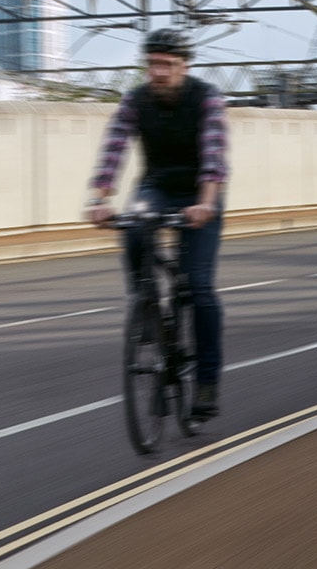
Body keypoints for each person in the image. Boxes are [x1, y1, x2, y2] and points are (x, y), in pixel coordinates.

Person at [86, 27, 229, 421]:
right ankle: (144, 303)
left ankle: (206, 381)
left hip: (201, 191)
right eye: (153, 64)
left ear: (185, 66)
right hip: (158, 186)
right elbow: (114, 147)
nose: (159, 72)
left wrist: (205, 204)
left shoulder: (207, 100)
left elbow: (215, 157)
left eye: (168, 65)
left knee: (198, 285)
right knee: (134, 226)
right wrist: (100, 198)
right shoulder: (136, 100)